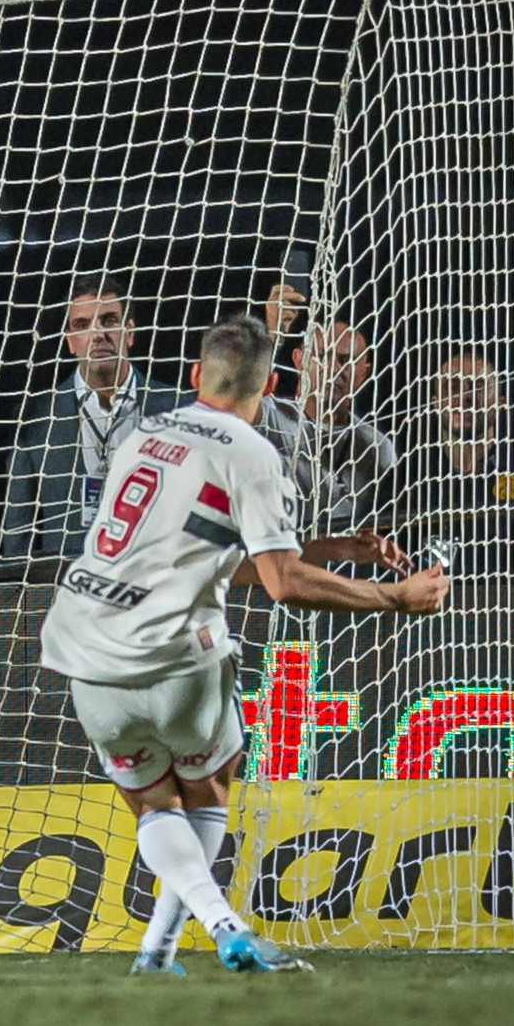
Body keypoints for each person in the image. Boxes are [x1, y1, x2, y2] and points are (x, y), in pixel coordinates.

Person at [38, 314, 446, 975]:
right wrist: (391, 597)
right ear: (273, 382)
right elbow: (281, 583)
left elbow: (215, 553)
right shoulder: (254, 452)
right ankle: (225, 926)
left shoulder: (144, 431)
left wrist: (332, 550)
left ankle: (157, 953)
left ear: (196, 374)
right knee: (205, 793)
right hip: (172, 654)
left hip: (84, 644)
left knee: (151, 804)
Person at [0, 273, 187, 567]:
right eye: (83, 325)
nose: (98, 334)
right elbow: (17, 529)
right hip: (68, 590)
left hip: (158, 582)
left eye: (109, 320)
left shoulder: (180, 409)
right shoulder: (35, 415)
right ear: (70, 342)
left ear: (131, 332)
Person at [258, 285, 396, 532]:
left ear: (364, 373)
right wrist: (271, 333)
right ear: (299, 360)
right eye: (322, 356)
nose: (333, 370)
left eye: (346, 361)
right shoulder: (270, 415)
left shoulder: (377, 447)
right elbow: (235, 395)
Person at [394, 350, 514, 579]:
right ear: (435, 403)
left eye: (478, 386)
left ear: (500, 403)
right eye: (452, 386)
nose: (465, 397)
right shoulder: (408, 476)